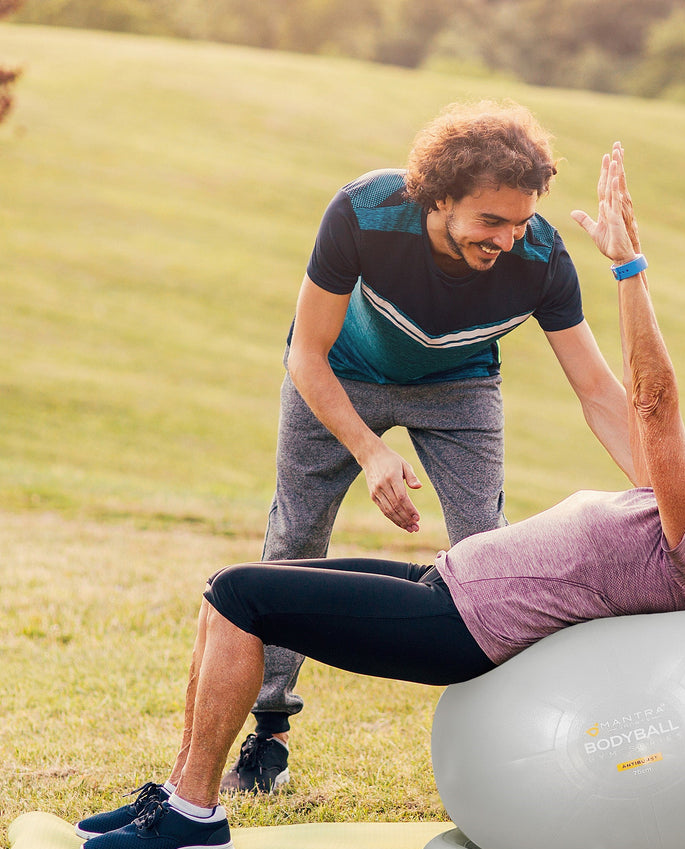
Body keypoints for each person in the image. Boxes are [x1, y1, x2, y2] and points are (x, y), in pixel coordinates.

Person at [76, 145, 685, 849]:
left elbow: (651, 403)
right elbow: (632, 421)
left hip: (463, 628)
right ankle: (177, 796)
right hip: (447, 586)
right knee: (230, 588)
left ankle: (194, 816)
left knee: (242, 596)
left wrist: (629, 267)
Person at [226, 99, 635, 794]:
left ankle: (519, 732)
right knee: (295, 538)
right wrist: (369, 450)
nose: (507, 240)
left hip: (460, 387)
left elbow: (598, 391)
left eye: (521, 220)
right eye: (489, 220)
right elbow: (307, 356)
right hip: (341, 374)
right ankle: (269, 734)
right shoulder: (364, 211)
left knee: (491, 548)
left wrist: (676, 499)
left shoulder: (539, 259)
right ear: (438, 198)